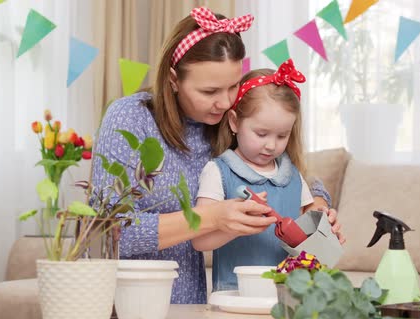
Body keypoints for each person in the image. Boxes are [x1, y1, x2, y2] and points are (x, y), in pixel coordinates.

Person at [91, 7, 336, 304]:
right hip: (130, 302)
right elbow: (106, 232)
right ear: (173, 79)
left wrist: (319, 205)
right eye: (209, 91)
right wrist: (207, 219)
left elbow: (287, 171)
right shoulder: (130, 118)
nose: (224, 101)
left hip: (195, 307)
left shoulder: (230, 123)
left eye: (233, 86)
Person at [192, 59, 346, 292]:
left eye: (282, 135)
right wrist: (235, 225)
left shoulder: (294, 175)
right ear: (234, 122)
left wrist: (325, 227)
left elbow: (310, 239)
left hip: (290, 293)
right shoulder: (217, 172)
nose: (271, 146)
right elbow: (200, 240)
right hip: (235, 296)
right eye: (261, 133)